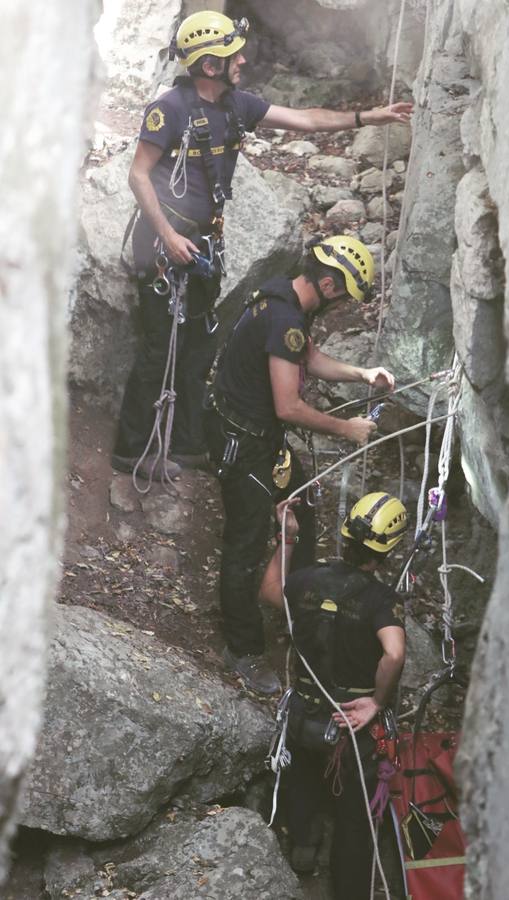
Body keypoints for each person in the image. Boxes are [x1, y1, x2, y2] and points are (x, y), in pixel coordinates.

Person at [111, 10, 412, 480]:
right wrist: (167, 236)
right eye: (234, 54)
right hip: (164, 245)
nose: (243, 60)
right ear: (210, 64)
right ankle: (130, 451)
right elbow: (138, 175)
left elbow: (306, 120)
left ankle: (187, 446)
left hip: (202, 243)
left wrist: (369, 117)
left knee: (199, 345)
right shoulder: (169, 110)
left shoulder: (236, 106)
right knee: (157, 348)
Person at [204, 233, 397, 693]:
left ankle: (300, 604)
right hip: (245, 444)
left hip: (256, 436)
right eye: (343, 297)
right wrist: (346, 429)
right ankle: (244, 649)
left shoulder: (283, 293)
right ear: (328, 286)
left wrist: (361, 374)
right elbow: (288, 407)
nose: (340, 305)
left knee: (302, 504)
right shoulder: (285, 318)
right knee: (245, 544)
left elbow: (306, 355)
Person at [258, 491, 407, 899]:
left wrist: (287, 538)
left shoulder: (307, 580)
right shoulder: (381, 600)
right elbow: (394, 653)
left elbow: (269, 591)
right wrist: (376, 702)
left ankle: (303, 852)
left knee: (303, 781)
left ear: (345, 537)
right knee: (356, 820)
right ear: (387, 551)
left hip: (304, 715)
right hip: (351, 727)